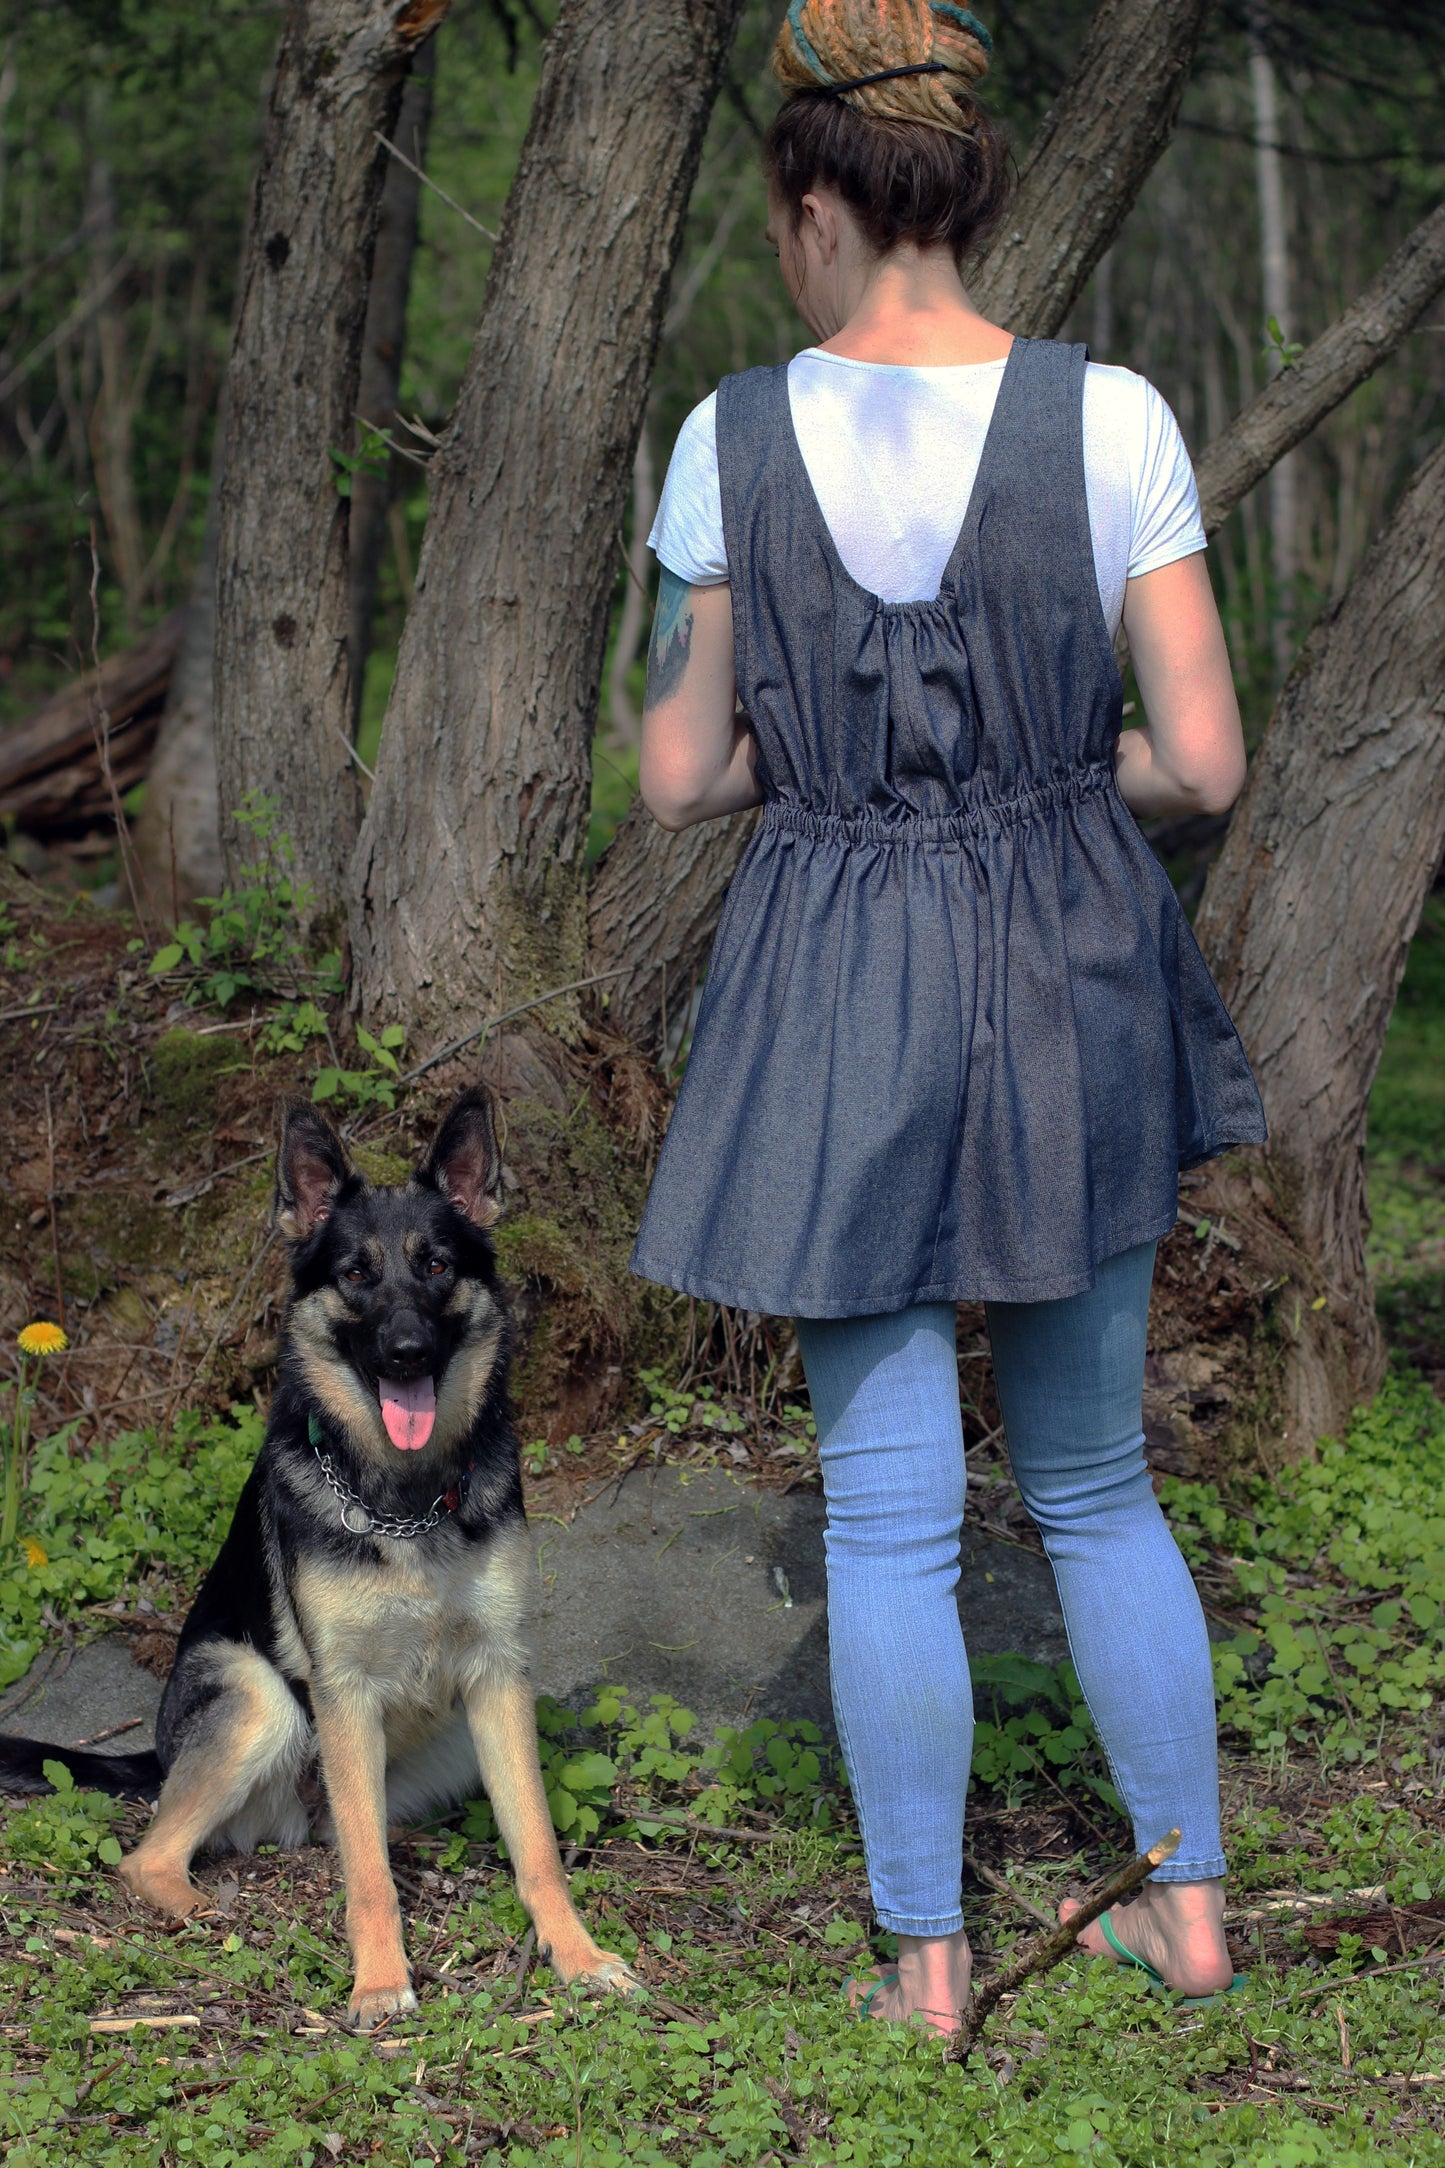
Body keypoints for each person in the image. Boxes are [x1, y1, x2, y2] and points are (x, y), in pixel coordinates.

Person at [630, 0, 1263, 2035]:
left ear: (815, 204)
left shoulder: (728, 439)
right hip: (1071, 954)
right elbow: (1206, 758)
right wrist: (1054, 776)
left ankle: (925, 1960)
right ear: (970, 188)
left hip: (834, 966)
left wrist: (825, 762)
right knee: (1093, 1481)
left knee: (886, 1511)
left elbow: (674, 773)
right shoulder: (1116, 419)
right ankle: (1186, 1914)